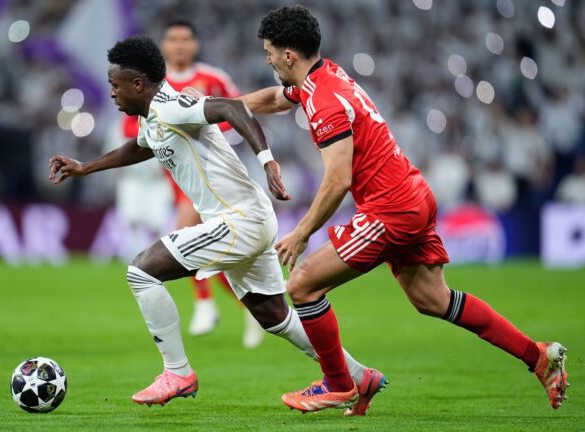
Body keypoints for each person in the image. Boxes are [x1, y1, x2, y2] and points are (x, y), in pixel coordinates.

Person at [235, 5, 568, 412]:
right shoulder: (326, 76)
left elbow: (338, 180)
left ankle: (339, 384)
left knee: (303, 285)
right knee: (433, 299)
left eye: (269, 52)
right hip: (412, 194)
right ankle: (538, 356)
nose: (267, 60)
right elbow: (274, 99)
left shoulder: (324, 101)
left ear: (288, 55)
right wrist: (219, 110)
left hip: (389, 208)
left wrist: (302, 232)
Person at [49, 36, 385, 411]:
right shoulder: (152, 117)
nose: (112, 93)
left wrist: (267, 161)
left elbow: (230, 107)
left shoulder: (173, 106)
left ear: (138, 84)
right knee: (273, 316)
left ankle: (177, 372)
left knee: (141, 271)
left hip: (238, 221)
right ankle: (360, 377)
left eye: (115, 85)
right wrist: (87, 167)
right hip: (248, 218)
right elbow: (143, 145)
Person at [121, 20, 263, 346]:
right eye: (173, 39)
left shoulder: (214, 78)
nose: (180, 45)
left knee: (184, 232)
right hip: (175, 177)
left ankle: (204, 304)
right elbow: (132, 129)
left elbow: (238, 111)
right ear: (164, 46)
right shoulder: (151, 84)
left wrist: (201, 124)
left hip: (208, 171)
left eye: (186, 38)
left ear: (195, 45)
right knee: (212, 257)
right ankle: (251, 307)